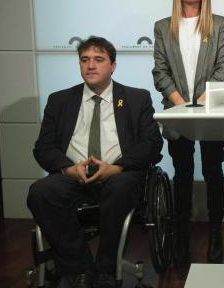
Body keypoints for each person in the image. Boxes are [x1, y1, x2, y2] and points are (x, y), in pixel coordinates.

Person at [27, 36, 163, 288]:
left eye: (98, 60)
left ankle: (106, 269)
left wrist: (117, 166)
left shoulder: (136, 98)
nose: (90, 65)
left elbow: (152, 144)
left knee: (120, 187)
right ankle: (80, 267)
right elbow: (43, 148)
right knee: (40, 192)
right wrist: (68, 168)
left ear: (112, 66)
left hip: (118, 174)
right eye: (85, 60)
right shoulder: (60, 100)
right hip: (73, 174)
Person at [152, 0, 224, 264]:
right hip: (177, 113)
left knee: (214, 173)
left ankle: (215, 235)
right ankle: (182, 239)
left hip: (210, 112)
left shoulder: (219, 24)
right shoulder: (163, 27)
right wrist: (180, 103)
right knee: (183, 174)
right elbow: (160, 71)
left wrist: (201, 101)